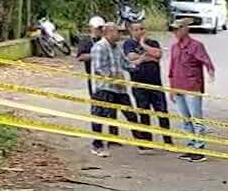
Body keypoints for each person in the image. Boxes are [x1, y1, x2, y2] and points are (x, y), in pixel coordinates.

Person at [165, 16, 216, 162]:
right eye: (173, 29)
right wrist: (171, 88)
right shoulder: (175, 47)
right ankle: (190, 145)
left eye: (177, 29)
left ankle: (199, 148)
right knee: (185, 119)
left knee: (196, 118)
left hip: (192, 87)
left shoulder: (196, 45)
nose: (175, 32)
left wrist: (211, 72)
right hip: (178, 86)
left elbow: (206, 60)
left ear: (185, 29)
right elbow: (172, 68)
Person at [122, 20, 173, 153]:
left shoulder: (152, 42)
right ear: (131, 31)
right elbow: (131, 57)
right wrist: (146, 57)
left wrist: (143, 45)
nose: (140, 32)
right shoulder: (128, 43)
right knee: (144, 112)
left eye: (142, 29)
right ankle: (147, 141)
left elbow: (158, 55)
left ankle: (168, 141)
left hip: (155, 83)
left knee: (162, 112)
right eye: (137, 29)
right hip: (139, 84)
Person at [86, 19, 132, 156]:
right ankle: (97, 144)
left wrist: (139, 66)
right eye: (118, 32)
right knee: (100, 115)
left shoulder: (117, 47)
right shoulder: (99, 47)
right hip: (104, 88)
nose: (120, 35)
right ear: (109, 32)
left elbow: (125, 63)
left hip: (119, 88)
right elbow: (100, 68)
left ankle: (143, 142)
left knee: (130, 114)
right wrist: (113, 78)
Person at [74, 15, 105, 136]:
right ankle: (98, 135)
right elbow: (80, 57)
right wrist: (95, 55)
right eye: (97, 28)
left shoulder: (107, 41)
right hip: (93, 78)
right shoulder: (86, 42)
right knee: (97, 106)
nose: (99, 30)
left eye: (101, 28)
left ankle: (113, 136)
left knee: (112, 107)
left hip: (108, 77)